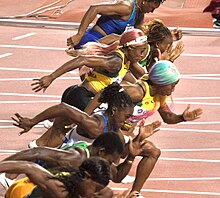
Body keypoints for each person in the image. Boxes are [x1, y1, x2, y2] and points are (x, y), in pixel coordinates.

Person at [12, 82, 162, 196]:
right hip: (56, 169)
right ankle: (10, 178)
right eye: (126, 117)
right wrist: (32, 121)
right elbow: (63, 108)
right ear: (115, 111)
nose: (128, 121)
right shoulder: (95, 126)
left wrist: (131, 155)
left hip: (80, 169)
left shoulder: (114, 136)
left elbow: (116, 176)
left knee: (106, 193)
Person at [32, 28, 150, 111]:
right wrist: (51, 77)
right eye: (141, 51)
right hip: (83, 99)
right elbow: (82, 60)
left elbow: (143, 77)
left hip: (79, 94)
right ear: (130, 48)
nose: (143, 55)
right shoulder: (116, 61)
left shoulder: (128, 59)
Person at [85, 60, 203, 124]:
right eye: (172, 86)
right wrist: (85, 117)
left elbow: (167, 117)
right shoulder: (137, 92)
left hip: (122, 131)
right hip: (104, 124)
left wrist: (182, 117)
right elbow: (105, 92)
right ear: (160, 82)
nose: (173, 90)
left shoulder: (159, 96)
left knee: (152, 152)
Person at [67, 0, 166, 50]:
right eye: (152, 7)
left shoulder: (139, 13)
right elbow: (94, 8)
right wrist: (79, 34)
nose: (152, 11)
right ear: (145, 1)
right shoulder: (126, 7)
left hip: (107, 45)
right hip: (91, 40)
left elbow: (142, 34)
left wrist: (165, 36)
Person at [0, 157, 111, 198]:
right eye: (96, 189)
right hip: (20, 190)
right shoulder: (59, 190)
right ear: (86, 177)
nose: (94, 195)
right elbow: (28, 166)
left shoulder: (78, 182)